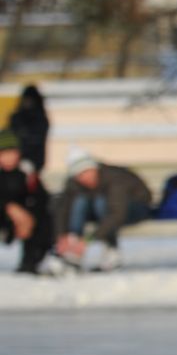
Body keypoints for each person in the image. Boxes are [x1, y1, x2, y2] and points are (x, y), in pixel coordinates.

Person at [53, 149, 153, 272]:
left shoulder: (115, 179)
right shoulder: (75, 183)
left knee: (101, 203)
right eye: (79, 175)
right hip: (105, 212)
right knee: (80, 201)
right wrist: (61, 234)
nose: (84, 178)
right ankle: (73, 246)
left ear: (93, 168)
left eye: (86, 172)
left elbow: (117, 215)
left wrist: (88, 240)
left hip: (134, 209)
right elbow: (63, 208)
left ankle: (111, 250)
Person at [0, 128, 53, 275]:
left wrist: (27, 218)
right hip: (6, 216)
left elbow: (41, 198)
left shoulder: (28, 173)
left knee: (44, 220)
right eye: (3, 153)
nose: (8, 158)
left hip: (24, 219)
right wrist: (9, 208)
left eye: (11, 152)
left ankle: (32, 262)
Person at [8, 84, 49, 174]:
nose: (28, 103)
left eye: (30, 100)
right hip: (16, 163)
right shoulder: (16, 118)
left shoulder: (40, 119)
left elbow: (39, 141)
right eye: (26, 99)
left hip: (35, 162)